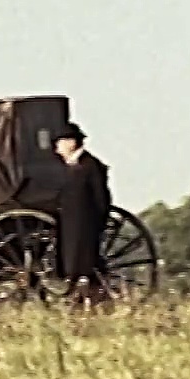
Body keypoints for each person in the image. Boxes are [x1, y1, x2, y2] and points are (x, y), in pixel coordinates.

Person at [51, 122, 113, 307]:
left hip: (84, 227)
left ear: (71, 143)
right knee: (75, 267)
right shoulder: (73, 167)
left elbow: (101, 199)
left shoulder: (91, 166)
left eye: (59, 143)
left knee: (83, 267)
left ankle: (89, 302)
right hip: (71, 227)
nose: (57, 149)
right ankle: (85, 301)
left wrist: (97, 225)